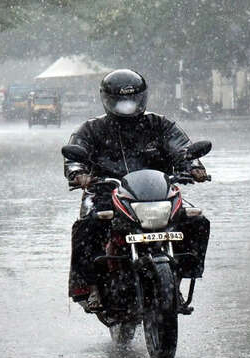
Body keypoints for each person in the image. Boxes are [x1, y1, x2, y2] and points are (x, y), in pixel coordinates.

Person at [64, 69, 211, 313]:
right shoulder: (91, 129)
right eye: (121, 100)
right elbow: (74, 156)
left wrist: (194, 167)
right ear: (108, 99)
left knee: (197, 221)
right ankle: (91, 287)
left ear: (142, 97)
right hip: (106, 193)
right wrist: (79, 173)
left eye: (132, 99)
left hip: (158, 195)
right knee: (87, 226)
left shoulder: (160, 125)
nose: (128, 105)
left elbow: (183, 148)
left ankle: (178, 277)